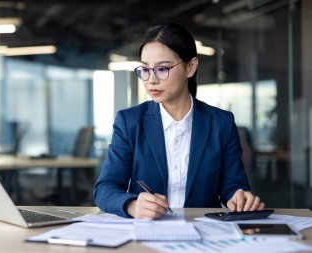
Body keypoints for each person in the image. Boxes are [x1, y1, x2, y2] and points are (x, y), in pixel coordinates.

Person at [93, 23, 265, 220]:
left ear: (190, 67)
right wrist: (131, 204)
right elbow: (105, 188)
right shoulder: (130, 122)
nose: (151, 80)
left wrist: (239, 198)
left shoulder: (221, 123)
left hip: (205, 233)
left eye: (162, 69)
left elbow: (234, 186)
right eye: (145, 69)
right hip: (148, 232)